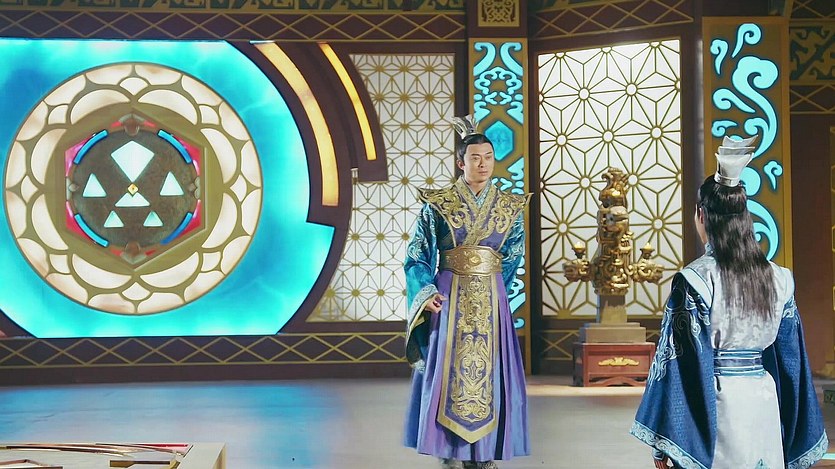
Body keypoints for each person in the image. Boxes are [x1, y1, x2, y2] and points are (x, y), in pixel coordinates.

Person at [630, 136, 828, 469]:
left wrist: (664, 443)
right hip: (763, 401)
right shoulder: (779, 278)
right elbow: (791, 361)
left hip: (718, 405)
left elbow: (680, 364)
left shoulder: (695, 280)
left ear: (701, 215)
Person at [403, 115, 530, 469]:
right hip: (449, 294)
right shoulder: (438, 204)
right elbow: (417, 254)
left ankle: (484, 452)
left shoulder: (509, 207)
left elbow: (512, 257)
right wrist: (426, 292)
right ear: (461, 162)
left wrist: (499, 297)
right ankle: (448, 449)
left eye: (488, 157)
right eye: (475, 158)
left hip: (491, 298)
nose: (483, 164)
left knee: (489, 374)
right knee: (448, 375)